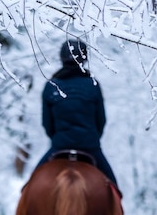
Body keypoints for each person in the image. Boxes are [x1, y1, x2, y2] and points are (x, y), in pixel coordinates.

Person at [36, 39, 121, 193]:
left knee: (30, 185)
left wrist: (60, 139)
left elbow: (47, 125)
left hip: (59, 146)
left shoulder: (51, 86)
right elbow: (101, 121)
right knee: (115, 190)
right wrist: (89, 139)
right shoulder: (93, 84)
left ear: (62, 58)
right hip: (90, 147)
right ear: (84, 59)